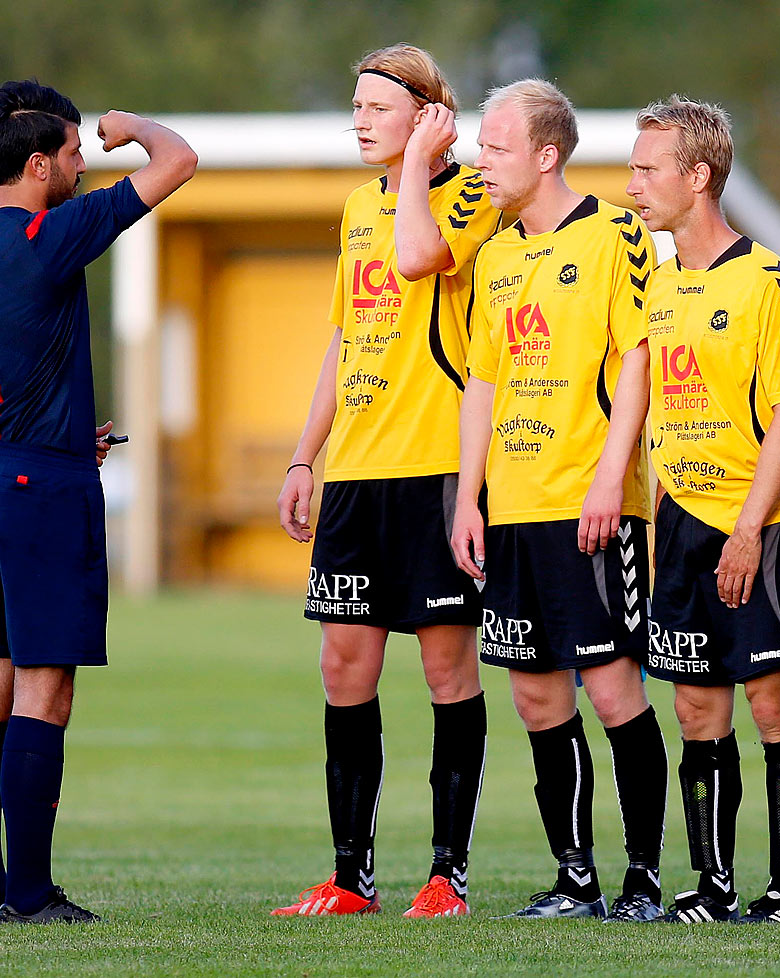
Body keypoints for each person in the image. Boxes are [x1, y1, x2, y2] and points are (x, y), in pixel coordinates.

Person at [0, 80, 196, 924]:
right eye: (75, 153)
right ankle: (32, 897)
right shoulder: (51, 234)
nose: (85, 163)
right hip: (42, 489)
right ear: (38, 165)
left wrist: (31, 435)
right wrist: (132, 126)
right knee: (45, 689)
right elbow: (178, 159)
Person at [271, 44, 501, 918]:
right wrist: (306, 455)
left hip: (438, 468)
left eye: (378, 107)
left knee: (447, 666)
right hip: (360, 472)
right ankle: (350, 876)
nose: (360, 121)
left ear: (427, 116)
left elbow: (415, 258)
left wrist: (419, 167)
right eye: (356, 107)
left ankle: (448, 874)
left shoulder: (473, 192)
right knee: (343, 665)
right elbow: (346, 337)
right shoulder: (355, 208)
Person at [451, 78, 667, 922]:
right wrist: (470, 499)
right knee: (536, 695)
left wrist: (614, 476)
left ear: (547, 155)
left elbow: (641, 359)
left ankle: (643, 880)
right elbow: (482, 383)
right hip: (514, 508)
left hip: (593, 505)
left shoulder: (616, 234)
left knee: (615, 691)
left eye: (496, 147)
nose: (480, 159)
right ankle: (574, 879)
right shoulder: (497, 256)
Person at [626, 96, 780, 925]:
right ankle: (711, 888)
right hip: (679, 525)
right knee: (694, 706)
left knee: (773, 702)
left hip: (764, 524)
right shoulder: (660, 285)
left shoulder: (771, 280)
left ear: (698, 177)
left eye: (647, 169)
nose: (633, 185)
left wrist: (749, 526)